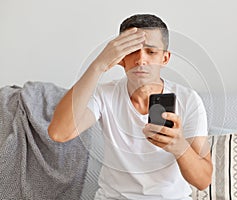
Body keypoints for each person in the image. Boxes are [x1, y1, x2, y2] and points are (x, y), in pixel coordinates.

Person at [48, 14, 212, 199]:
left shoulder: (188, 99)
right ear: (120, 57)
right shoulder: (104, 94)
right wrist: (99, 65)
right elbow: (59, 133)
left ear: (164, 59)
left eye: (151, 52)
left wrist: (179, 146)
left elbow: (203, 180)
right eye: (133, 50)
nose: (141, 60)